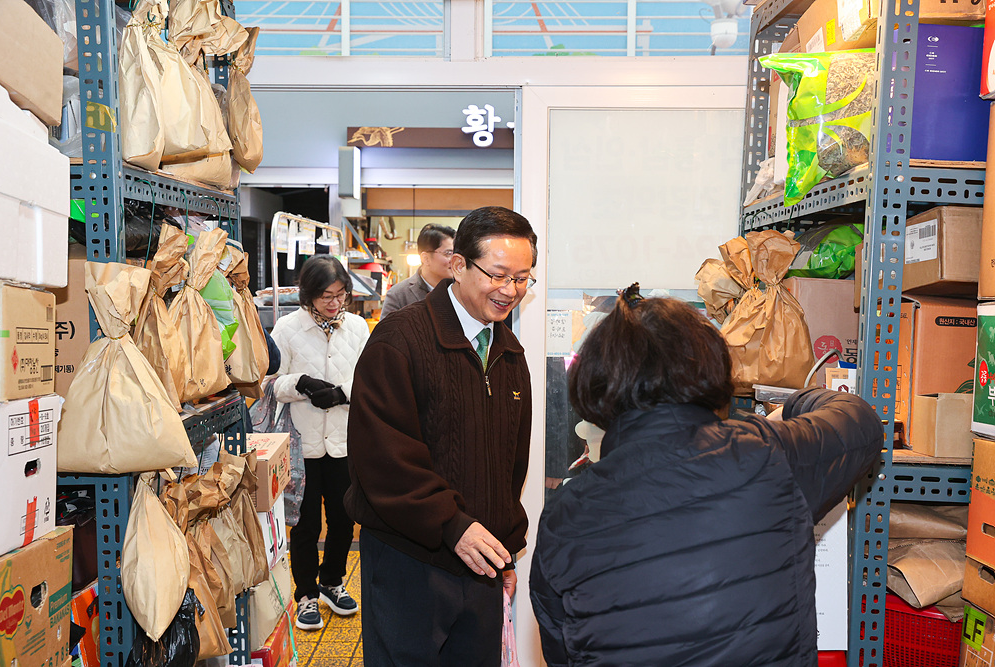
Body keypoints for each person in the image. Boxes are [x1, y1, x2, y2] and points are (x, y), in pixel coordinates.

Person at [530, 286, 885, 667]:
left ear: (596, 386)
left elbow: (562, 650)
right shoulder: (764, 453)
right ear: (708, 368)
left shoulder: (563, 518)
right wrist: (789, 407)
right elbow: (861, 422)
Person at [346, 206, 537, 666]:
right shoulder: (401, 339)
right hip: (410, 561)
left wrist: (505, 550)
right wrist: (452, 525)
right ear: (457, 266)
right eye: (498, 275)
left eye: (523, 277)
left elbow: (511, 466)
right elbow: (383, 459)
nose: (510, 290)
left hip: (480, 565)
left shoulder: (509, 353)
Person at [270, 255, 370, 631]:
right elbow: (271, 383)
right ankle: (306, 595)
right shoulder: (288, 327)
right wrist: (302, 384)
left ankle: (332, 582)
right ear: (308, 294)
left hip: (345, 443)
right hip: (303, 445)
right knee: (306, 523)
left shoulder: (358, 328)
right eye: (326, 295)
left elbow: (372, 379)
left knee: (345, 520)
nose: (334, 302)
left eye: (340, 294)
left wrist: (343, 393)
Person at [379, 223, 456, 318]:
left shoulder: (462, 291)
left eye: (456, 253)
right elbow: (386, 332)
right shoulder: (399, 295)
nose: (454, 260)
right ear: (426, 258)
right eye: (448, 253)